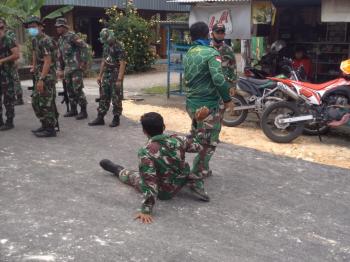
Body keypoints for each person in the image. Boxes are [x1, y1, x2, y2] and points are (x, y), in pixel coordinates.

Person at [100, 112, 209, 224]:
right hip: (181, 178)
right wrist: (199, 123)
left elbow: (149, 182)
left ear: (144, 131)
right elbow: (199, 145)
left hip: (165, 191)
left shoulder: (146, 152)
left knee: (134, 176)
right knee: (183, 169)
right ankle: (195, 184)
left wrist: (146, 210)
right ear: (163, 126)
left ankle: (118, 170)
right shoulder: (179, 139)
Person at [183, 22, 234, 179]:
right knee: (210, 139)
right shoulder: (211, 53)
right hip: (207, 106)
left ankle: (185, 161)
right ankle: (198, 170)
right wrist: (227, 100)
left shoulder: (190, 53)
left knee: (197, 134)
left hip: (191, 104)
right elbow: (218, 80)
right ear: (208, 34)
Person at [24, 16, 59, 137]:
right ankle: (45, 124)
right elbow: (35, 53)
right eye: (29, 27)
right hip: (40, 73)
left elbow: (48, 61)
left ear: (40, 27)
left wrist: (41, 79)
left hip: (47, 75)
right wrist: (33, 66)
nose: (31, 29)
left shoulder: (45, 40)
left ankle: (50, 129)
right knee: (36, 101)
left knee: (45, 102)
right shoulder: (35, 39)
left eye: (33, 27)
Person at [89, 28, 126, 127]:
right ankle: (100, 117)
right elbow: (104, 61)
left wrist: (119, 79)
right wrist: (99, 75)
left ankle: (116, 118)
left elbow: (122, 64)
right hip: (107, 73)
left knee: (116, 97)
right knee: (103, 96)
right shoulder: (106, 46)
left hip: (115, 73)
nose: (106, 42)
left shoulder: (119, 46)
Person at [56, 17, 89, 120]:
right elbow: (60, 55)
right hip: (67, 68)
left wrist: (83, 62)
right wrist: (60, 69)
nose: (57, 28)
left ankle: (83, 111)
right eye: (56, 27)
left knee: (77, 89)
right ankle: (73, 109)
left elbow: (84, 47)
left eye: (59, 26)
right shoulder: (61, 39)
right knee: (69, 89)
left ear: (64, 27)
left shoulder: (72, 37)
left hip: (76, 68)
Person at [0, 17, 20, 131]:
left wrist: (2, 60)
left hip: (7, 74)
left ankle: (9, 121)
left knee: (8, 99)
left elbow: (16, 55)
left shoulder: (8, 39)